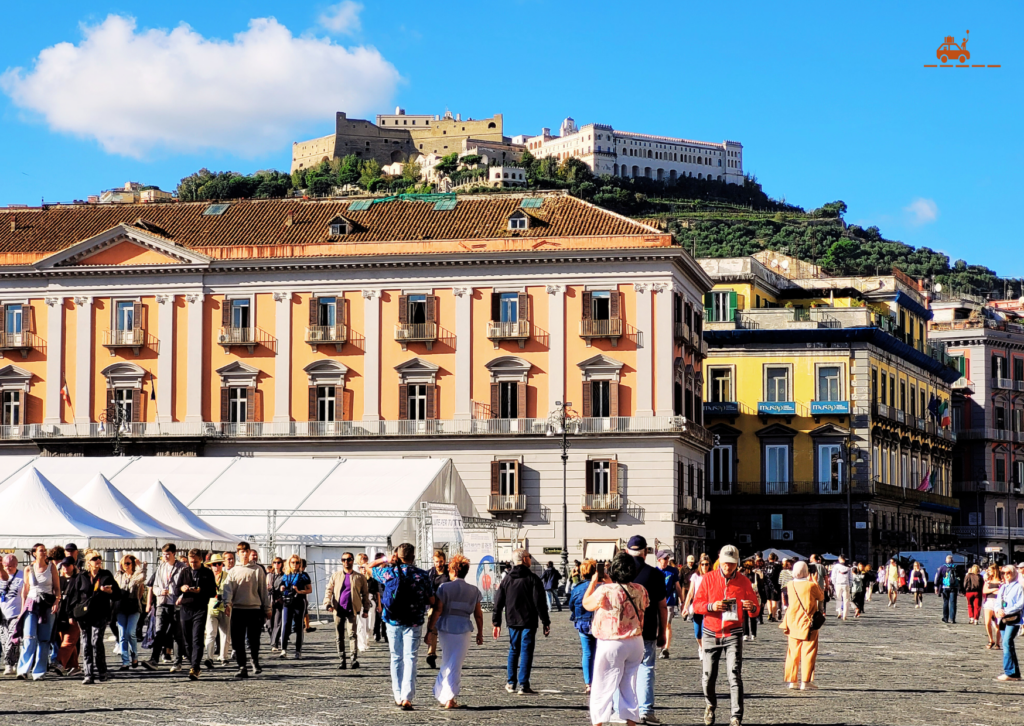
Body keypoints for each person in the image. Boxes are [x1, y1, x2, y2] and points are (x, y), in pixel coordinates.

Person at [693, 545, 760, 726]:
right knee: (708, 676)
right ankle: (710, 706)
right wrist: (711, 606)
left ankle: (736, 716)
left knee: (734, 674)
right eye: (724, 563)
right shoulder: (708, 579)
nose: (727, 567)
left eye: (731, 564)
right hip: (710, 633)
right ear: (719, 561)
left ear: (736, 563)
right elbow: (697, 605)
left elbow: (755, 609)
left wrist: (751, 608)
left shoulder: (744, 581)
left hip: (733, 633)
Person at [583, 552, 650, 726]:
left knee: (602, 685)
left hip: (612, 641)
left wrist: (593, 582)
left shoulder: (605, 590)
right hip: (636, 642)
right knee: (629, 684)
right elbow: (625, 593)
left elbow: (587, 604)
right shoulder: (641, 589)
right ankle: (631, 722)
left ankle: (598, 722)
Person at [373, 543, 435, 710]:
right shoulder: (422, 575)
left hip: (392, 619)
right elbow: (431, 600)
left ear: (397, 556)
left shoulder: (388, 572)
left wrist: (386, 560)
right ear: (413, 557)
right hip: (414, 621)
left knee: (395, 657)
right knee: (410, 658)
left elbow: (367, 568)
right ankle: (407, 696)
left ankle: (398, 694)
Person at [427, 554, 484, 709]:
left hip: (445, 626)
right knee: (456, 662)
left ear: (452, 570)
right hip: (464, 627)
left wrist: (430, 629)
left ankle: (443, 693)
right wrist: (480, 632)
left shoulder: (444, 588)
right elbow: (478, 614)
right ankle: (449, 696)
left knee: (448, 660)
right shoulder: (474, 590)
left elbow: (438, 610)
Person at [492, 548, 550, 696]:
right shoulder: (533, 579)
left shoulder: (507, 579)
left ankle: (511, 683)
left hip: (512, 620)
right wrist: (545, 621)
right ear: (524, 559)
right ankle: (524, 685)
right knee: (526, 652)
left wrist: (496, 622)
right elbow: (540, 603)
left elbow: (498, 602)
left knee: (513, 650)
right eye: (529, 557)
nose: (530, 559)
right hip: (529, 621)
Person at [625, 536, 668, 726]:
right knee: (646, 668)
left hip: (622, 630)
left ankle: (622, 710)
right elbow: (662, 606)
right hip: (647, 629)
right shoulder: (655, 574)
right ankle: (645, 710)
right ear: (646, 552)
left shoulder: (618, 573)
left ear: (627, 551)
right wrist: (663, 632)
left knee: (622, 670)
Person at [65, 550, 120, 685]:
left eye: (99, 558)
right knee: (86, 643)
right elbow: (73, 596)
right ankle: (88, 674)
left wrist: (110, 591)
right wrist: (70, 614)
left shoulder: (106, 575)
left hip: (100, 613)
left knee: (96, 641)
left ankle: (102, 671)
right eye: (94, 559)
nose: (98, 560)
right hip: (84, 615)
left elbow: (118, 594)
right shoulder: (81, 576)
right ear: (88, 562)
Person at [222, 541, 272, 678]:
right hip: (238, 609)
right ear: (238, 554)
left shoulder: (258, 570)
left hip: (254, 609)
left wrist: (267, 608)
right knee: (238, 640)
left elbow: (263, 591)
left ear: (250, 553)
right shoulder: (232, 571)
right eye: (242, 552)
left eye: (246, 551)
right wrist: (227, 604)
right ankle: (242, 666)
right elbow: (228, 590)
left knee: (254, 638)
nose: (244, 554)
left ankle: (254, 660)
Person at [16, 543, 60, 680]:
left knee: (44, 639)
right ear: (34, 553)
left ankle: (39, 671)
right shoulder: (28, 569)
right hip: (31, 603)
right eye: (41, 550)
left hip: (46, 604)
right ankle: (23, 670)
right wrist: (23, 608)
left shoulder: (52, 567)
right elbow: (25, 589)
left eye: (45, 550)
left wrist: (56, 602)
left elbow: (57, 588)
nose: (44, 552)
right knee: (28, 636)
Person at [142, 543, 187, 672]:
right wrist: (159, 592)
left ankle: (177, 662)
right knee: (159, 632)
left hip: (176, 604)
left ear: (174, 554)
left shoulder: (182, 568)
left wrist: (180, 595)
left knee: (177, 635)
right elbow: (154, 586)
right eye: (164, 554)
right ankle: (154, 660)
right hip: (162, 603)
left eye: (168, 554)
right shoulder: (161, 567)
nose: (165, 557)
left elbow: (186, 586)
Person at [780, 561, 824, 690]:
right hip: (807, 622)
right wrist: (815, 581)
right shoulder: (811, 585)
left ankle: (792, 681)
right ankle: (806, 681)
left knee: (793, 652)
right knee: (808, 651)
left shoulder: (790, 584)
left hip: (792, 621)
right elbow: (821, 596)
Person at [323, 551, 369, 670]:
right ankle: (342, 659)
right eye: (343, 560)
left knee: (352, 634)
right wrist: (327, 603)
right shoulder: (336, 576)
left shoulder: (360, 577)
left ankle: (353, 659)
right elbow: (329, 590)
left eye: (348, 559)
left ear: (353, 561)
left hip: (352, 610)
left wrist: (366, 609)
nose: (346, 562)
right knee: (339, 636)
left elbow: (365, 594)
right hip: (338, 609)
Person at [175, 548, 216, 680]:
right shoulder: (185, 571)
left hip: (200, 608)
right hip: (186, 607)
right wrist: (182, 588)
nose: (193, 565)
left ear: (201, 560)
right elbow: (176, 589)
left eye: (196, 562)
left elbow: (212, 591)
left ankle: (195, 666)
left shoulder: (207, 573)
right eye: (191, 562)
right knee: (187, 640)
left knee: (197, 638)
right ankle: (192, 660)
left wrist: (200, 590)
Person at [569, 559, 598, 693]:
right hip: (598, 623)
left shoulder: (577, 588)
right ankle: (600, 680)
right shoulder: (600, 587)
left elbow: (571, 605)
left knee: (587, 652)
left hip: (582, 623)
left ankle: (589, 683)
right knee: (599, 653)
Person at [278, 554, 312, 659]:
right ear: (289, 563)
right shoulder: (286, 575)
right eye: (293, 562)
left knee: (298, 626)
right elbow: (281, 586)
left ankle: (298, 651)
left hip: (299, 601)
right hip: (287, 601)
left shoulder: (304, 575)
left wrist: (299, 591)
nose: (295, 564)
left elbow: (309, 590)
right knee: (286, 624)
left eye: (297, 562)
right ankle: (283, 649)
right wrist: (282, 588)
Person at [114, 555, 145, 670]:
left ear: (132, 564)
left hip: (133, 607)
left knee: (131, 632)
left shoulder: (136, 576)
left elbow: (142, 578)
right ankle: (125, 661)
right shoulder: (118, 576)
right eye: (124, 563)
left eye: (128, 563)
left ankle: (135, 655)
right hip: (121, 607)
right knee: (122, 635)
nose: (125, 565)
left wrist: (139, 566)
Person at [52, 557, 80, 677]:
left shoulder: (78, 579)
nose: (65, 567)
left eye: (68, 565)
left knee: (69, 641)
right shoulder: (59, 580)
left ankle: (59, 662)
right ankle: (74, 667)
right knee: (66, 641)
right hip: (61, 615)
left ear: (73, 566)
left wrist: (73, 614)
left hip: (74, 614)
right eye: (63, 565)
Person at [994, 565, 1023, 681]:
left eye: (1008, 573)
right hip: (1002, 619)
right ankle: (1014, 672)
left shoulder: (1018, 587)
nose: (1005, 575)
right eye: (1003, 573)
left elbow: (1020, 604)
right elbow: (998, 602)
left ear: (1014, 573)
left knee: (1006, 643)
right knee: (1008, 644)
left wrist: (1006, 611)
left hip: (1013, 619)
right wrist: (997, 610)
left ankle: (1010, 672)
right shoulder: (1003, 587)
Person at [203, 553, 231, 669]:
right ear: (211, 565)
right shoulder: (207, 576)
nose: (217, 566)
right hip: (211, 607)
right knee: (210, 633)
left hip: (224, 607)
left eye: (219, 564)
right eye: (214, 564)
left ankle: (223, 657)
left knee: (225, 634)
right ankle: (209, 657)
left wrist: (228, 604)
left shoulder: (227, 576)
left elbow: (230, 591)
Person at [0, 554, 25, 675]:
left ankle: (8, 664)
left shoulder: (22, 576)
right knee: (4, 640)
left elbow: (24, 594)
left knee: (12, 639)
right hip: (2, 614)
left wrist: (23, 612)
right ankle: (13, 662)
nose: (8, 568)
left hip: (16, 613)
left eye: (10, 566)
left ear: (16, 565)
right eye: (5, 566)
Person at [683, 558, 712, 660]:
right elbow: (691, 592)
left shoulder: (711, 576)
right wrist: (685, 607)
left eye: (707, 564)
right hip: (697, 606)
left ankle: (704, 649)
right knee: (697, 632)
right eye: (703, 564)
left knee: (705, 629)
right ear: (700, 565)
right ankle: (700, 646)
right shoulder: (695, 576)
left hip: (708, 606)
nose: (705, 566)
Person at [426, 550, 450, 668]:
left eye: (440, 561)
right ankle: (431, 654)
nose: (439, 564)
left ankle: (448, 655)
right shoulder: (430, 574)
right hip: (434, 605)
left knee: (447, 631)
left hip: (447, 605)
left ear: (444, 561)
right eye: (436, 561)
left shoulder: (450, 573)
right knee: (432, 628)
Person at [658, 550, 683, 656]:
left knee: (667, 624)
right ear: (659, 560)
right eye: (665, 559)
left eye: (668, 558)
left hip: (669, 602)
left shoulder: (673, 571)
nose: (667, 561)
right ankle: (661, 645)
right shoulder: (654, 571)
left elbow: (677, 586)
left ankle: (665, 648)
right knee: (659, 626)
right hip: (657, 602)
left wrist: (682, 601)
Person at [355, 554, 377, 653]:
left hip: (371, 601)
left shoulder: (372, 579)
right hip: (360, 601)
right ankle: (361, 644)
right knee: (361, 624)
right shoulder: (357, 577)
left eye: (365, 567)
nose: (363, 569)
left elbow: (377, 592)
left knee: (370, 625)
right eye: (361, 567)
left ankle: (367, 638)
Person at [266, 557, 285, 652]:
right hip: (269, 601)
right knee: (269, 624)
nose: (276, 564)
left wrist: (283, 589)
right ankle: (273, 639)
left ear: (281, 564)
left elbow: (286, 586)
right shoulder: (269, 575)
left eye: (278, 562)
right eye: (275, 562)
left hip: (279, 601)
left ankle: (275, 643)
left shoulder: (284, 576)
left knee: (277, 623)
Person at [934, 555, 960, 624]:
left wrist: (936, 586)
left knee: (945, 602)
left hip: (945, 587)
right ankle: (952, 619)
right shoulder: (956, 567)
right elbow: (960, 577)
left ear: (946, 560)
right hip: (954, 587)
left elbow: (938, 577)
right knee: (953, 603)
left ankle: (945, 618)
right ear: (953, 560)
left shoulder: (942, 567)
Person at [983, 564, 1003, 649]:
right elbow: (985, 590)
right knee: (987, 622)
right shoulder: (988, 580)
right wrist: (994, 590)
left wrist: (997, 592)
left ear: (995, 570)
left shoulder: (1001, 580)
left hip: (998, 602)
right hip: (989, 602)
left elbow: (1002, 592)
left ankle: (997, 642)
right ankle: (991, 640)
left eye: (990, 570)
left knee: (997, 624)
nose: (988, 571)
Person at [741, 561, 760, 641]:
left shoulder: (742, 576)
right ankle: (753, 634)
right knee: (752, 616)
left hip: (745, 597)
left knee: (746, 616)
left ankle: (746, 634)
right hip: (752, 597)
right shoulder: (755, 575)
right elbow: (761, 587)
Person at [829, 556, 851, 620]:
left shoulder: (836, 567)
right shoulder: (848, 567)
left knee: (838, 599)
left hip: (838, 584)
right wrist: (850, 584)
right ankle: (845, 615)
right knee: (846, 600)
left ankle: (839, 612)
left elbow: (833, 576)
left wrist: (834, 584)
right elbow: (850, 577)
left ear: (839, 559)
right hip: (846, 584)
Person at [762, 554, 781, 622]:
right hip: (775, 584)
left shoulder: (765, 565)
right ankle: (773, 616)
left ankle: (770, 613)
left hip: (766, 584)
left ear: (768, 558)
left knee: (768, 599)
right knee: (774, 600)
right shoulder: (777, 565)